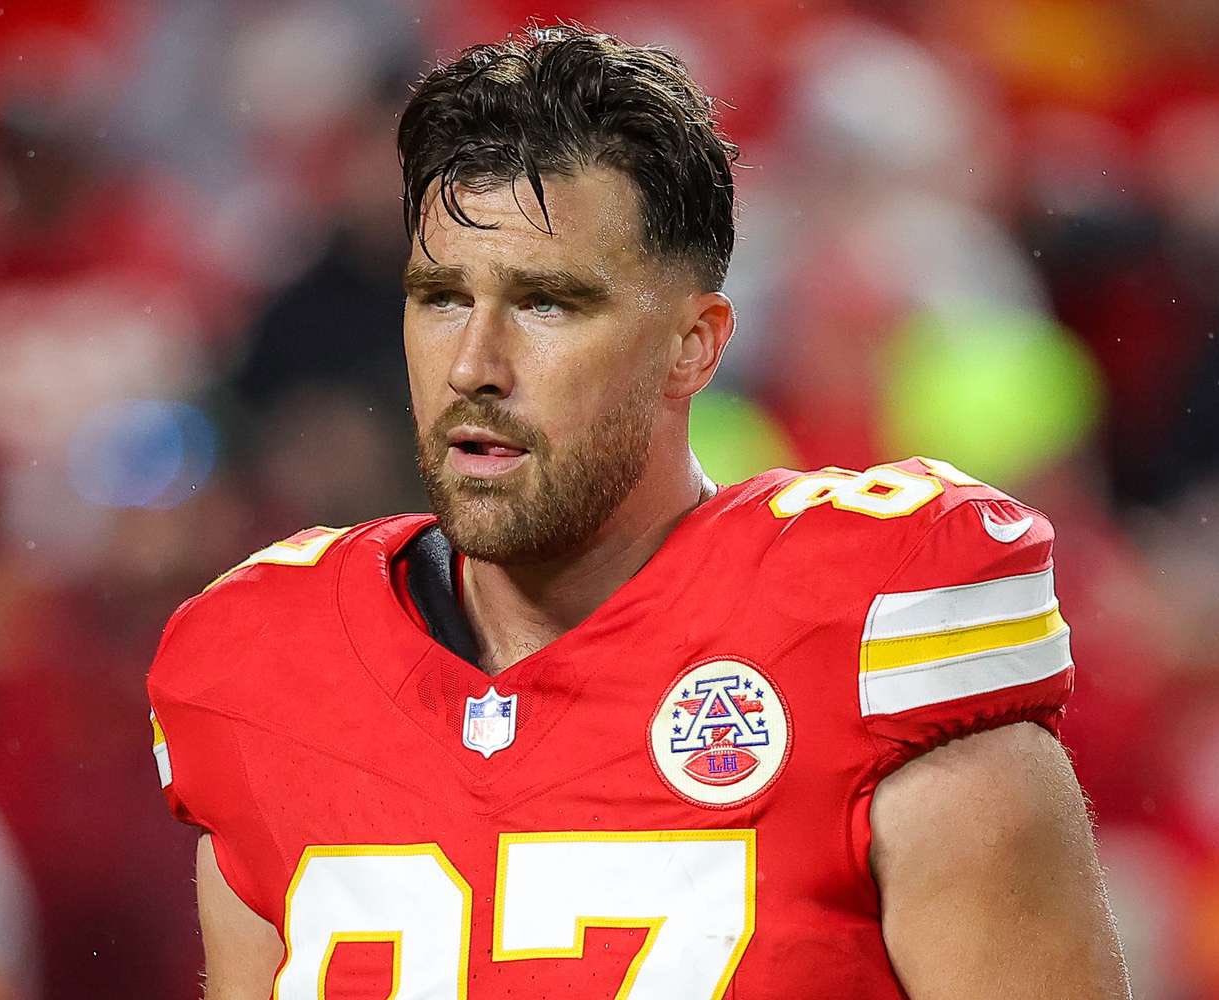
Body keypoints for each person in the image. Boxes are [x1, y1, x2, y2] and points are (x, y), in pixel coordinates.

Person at [147, 25, 1132, 999]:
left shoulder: (881, 644)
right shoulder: (267, 670)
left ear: (692, 345)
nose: (473, 366)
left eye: (547, 303)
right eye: (442, 297)